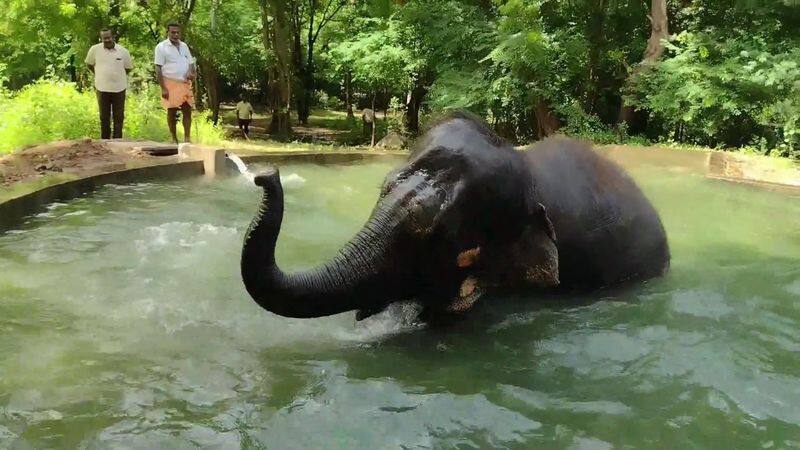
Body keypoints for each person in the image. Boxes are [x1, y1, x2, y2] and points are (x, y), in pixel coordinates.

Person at [85, 28, 133, 139]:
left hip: (119, 88)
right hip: (102, 88)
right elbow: (89, 64)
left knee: (118, 116)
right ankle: (105, 142)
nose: (107, 40)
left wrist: (116, 76)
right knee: (104, 117)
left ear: (113, 37)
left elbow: (128, 68)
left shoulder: (123, 51)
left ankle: (118, 141)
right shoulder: (94, 50)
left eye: (108, 37)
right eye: (104, 38)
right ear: (101, 38)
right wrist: (99, 74)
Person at [154, 23, 196, 143]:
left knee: (187, 109)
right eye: (173, 32)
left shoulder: (184, 46)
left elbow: (191, 62)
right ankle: (174, 138)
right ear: (167, 32)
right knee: (171, 111)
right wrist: (163, 88)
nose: (176, 35)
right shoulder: (161, 47)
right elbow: (158, 68)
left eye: (178, 32)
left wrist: (190, 72)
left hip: (185, 83)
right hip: (170, 82)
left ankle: (187, 138)